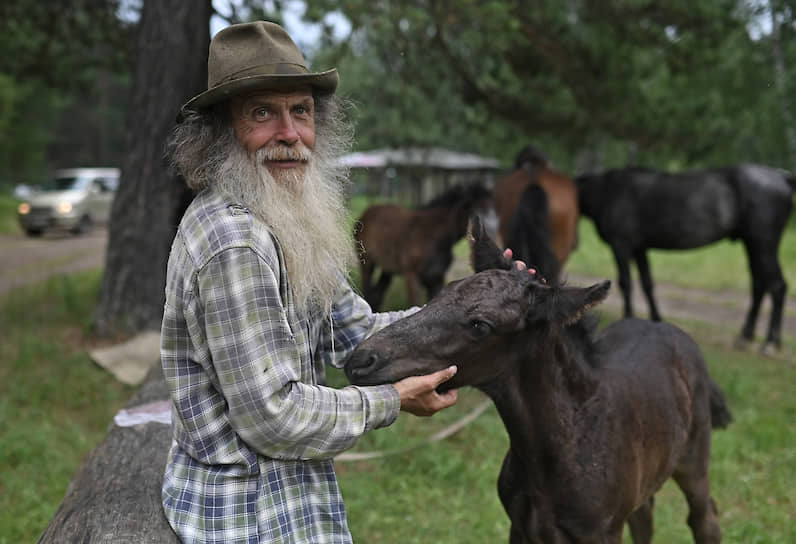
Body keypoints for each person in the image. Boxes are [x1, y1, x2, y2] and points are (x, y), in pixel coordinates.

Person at [160, 21, 461, 543]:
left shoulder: (285, 215)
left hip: (287, 493)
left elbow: (357, 331)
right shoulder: (235, 242)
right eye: (262, 113)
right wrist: (391, 400)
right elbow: (272, 418)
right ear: (218, 132)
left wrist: (477, 306)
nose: (290, 134)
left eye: (300, 111)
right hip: (244, 513)